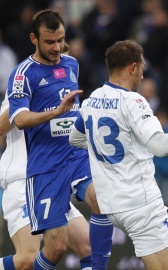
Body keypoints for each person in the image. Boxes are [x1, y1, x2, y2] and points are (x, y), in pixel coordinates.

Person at [69, 40, 168, 269]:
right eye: (142, 68)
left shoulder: (92, 100)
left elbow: (74, 139)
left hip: (113, 205)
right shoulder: (134, 101)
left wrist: (104, 150)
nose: (143, 76)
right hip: (141, 205)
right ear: (133, 67)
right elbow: (160, 146)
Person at [6, 9, 113, 269]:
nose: (57, 48)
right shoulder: (22, 75)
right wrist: (55, 112)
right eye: (50, 42)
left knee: (101, 198)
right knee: (55, 248)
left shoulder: (71, 64)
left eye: (61, 40)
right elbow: (18, 120)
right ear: (34, 38)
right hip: (45, 167)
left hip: (75, 156)